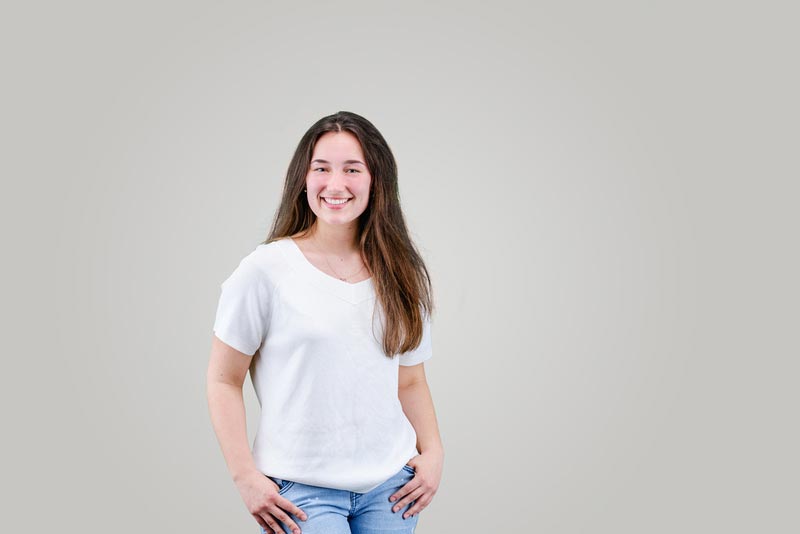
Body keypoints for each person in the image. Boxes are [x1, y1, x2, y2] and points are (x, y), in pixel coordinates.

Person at [206, 111, 444, 534]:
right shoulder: (265, 270)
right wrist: (246, 478)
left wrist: (435, 454)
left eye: (353, 169)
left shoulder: (400, 272)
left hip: (390, 489)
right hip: (299, 492)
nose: (336, 185)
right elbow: (224, 379)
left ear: (376, 181)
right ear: (303, 178)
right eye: (321, 169)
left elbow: (409, 380)